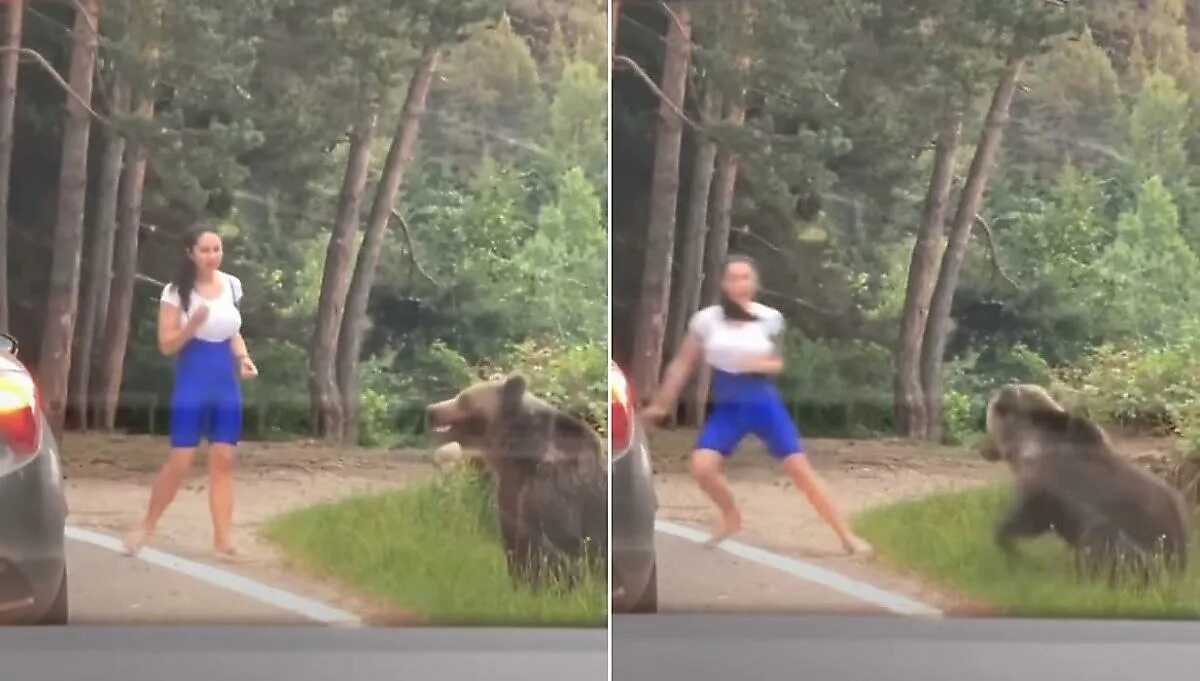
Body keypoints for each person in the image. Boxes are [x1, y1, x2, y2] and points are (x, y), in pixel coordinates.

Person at [642, 254, 873, 555]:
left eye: (745, 277)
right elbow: (682, 365)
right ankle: (731, 516)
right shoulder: (706, 320)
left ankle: (846, 537)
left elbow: (776, 364)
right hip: (729, 408)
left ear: (755, 283)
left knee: (801, 472)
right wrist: (661, 404)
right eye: (733, 278)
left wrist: (754, 363)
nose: (740, 284)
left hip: (763, 404)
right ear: (724, 284)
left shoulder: (770, 318)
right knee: (702, 467)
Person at [124, 226, 258, 562]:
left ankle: (223, 541)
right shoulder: (175, 293)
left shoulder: (232, 285)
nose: (213, 256)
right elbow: (167, 346)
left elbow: (234, 332)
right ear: (190, 254)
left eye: (217, 249)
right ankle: (147, 526)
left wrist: (243, 359)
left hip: (224, 381)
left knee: (224, 460)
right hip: (192, 381)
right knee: (181, 461)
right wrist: (192, 326)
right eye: (205, 250)